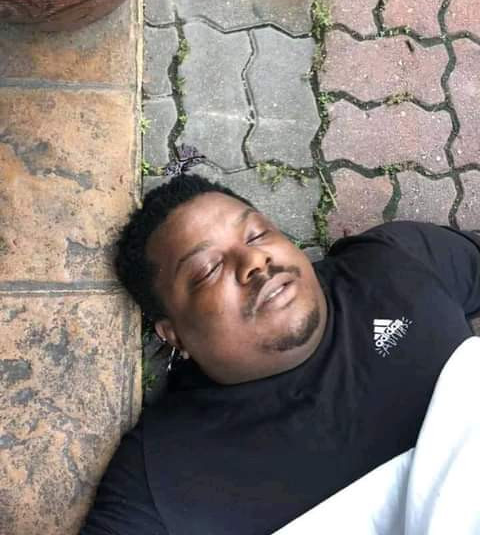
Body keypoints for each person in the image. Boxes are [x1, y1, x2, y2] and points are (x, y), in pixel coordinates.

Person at [80, 173, 479, 535]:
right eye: (207, 270)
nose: (254, 260)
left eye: (257, 234)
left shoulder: (395, 261)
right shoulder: (162, 476)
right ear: (174, 335)